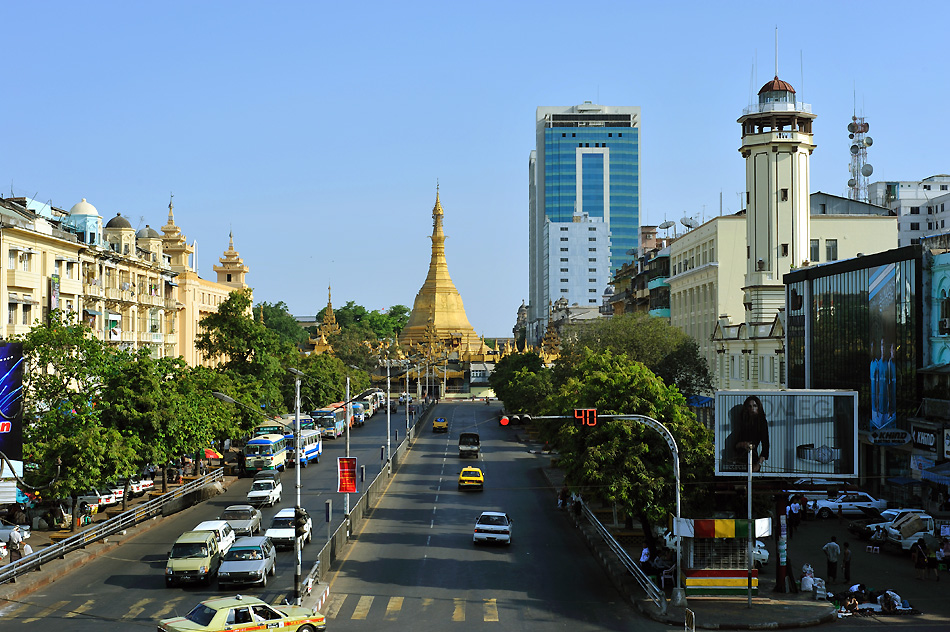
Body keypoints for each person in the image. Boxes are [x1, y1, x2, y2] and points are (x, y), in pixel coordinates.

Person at [734, 395, 769, 472]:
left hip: (753, 458)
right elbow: (735, 445)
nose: (752, 409)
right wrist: (743, 444)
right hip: (741, 459)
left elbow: (765, 444)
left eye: (754, 406)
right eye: (749, 406)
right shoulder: (743, 422)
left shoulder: (761, 423)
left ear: (758, 407)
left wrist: (758, 463)